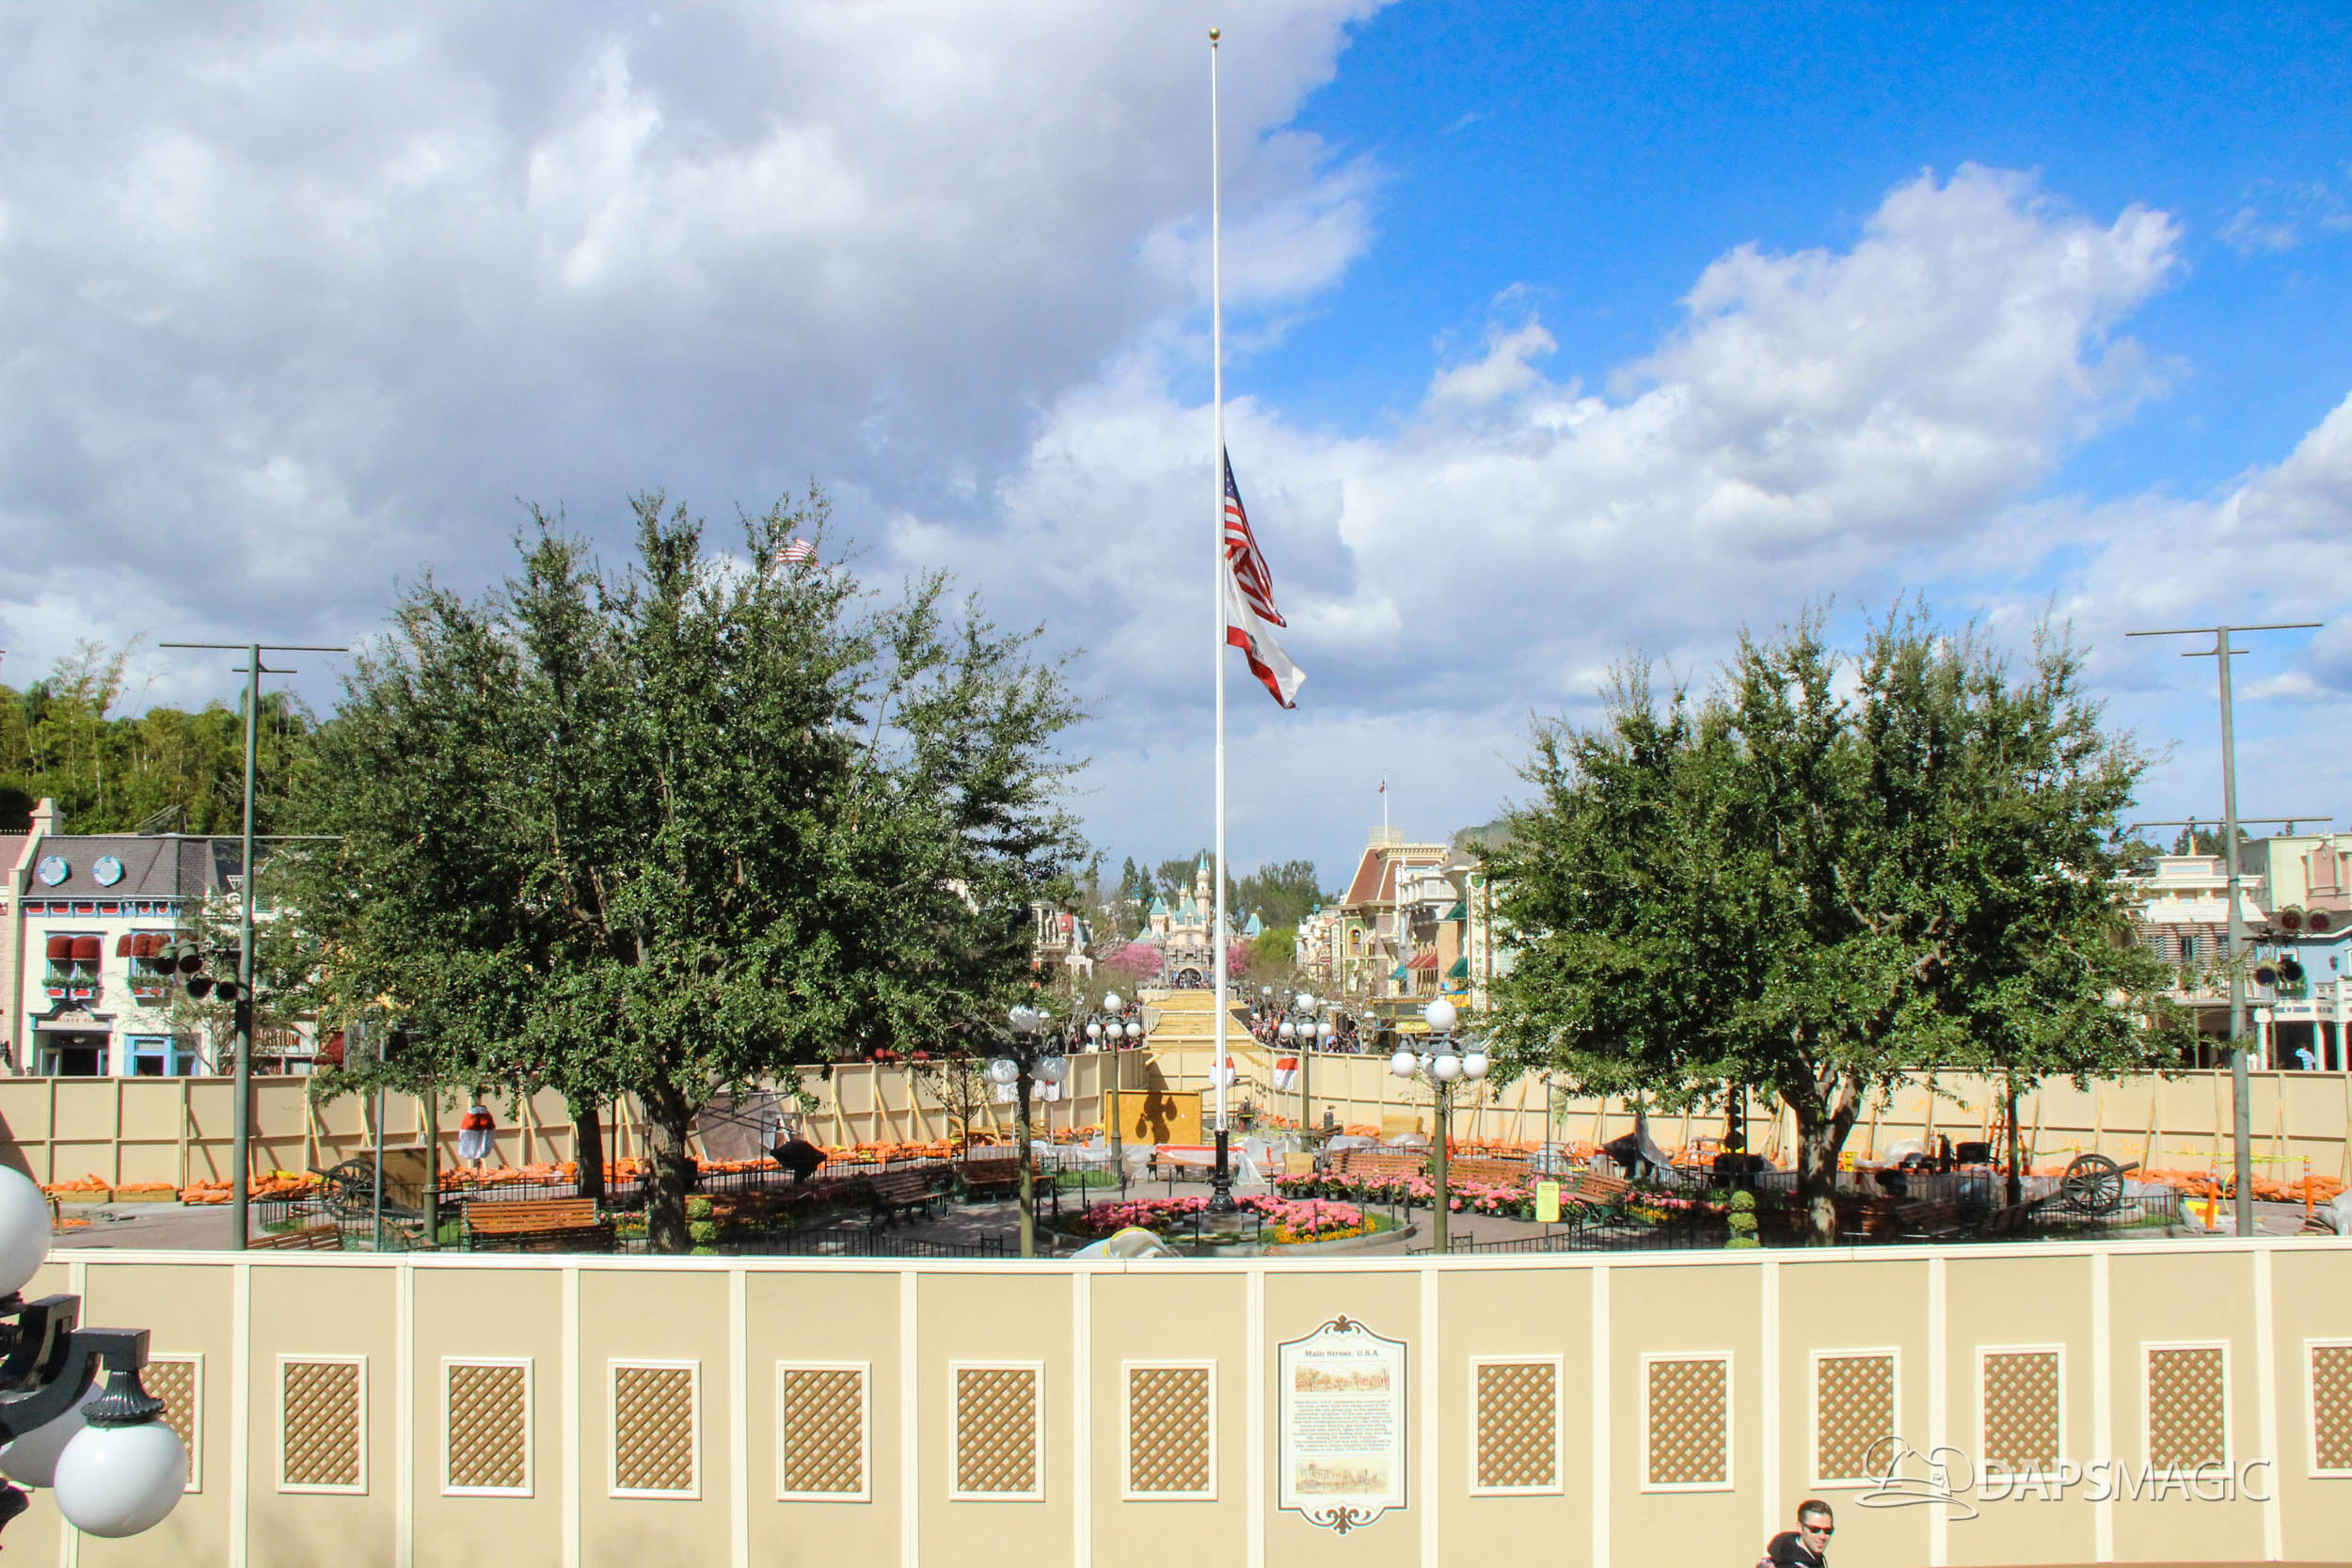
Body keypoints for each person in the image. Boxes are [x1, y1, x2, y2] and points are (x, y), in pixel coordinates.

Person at [1761, 1500, 1834, 1567]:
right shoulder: (1786, 1565)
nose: (1822, 1536)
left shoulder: (1815, 1559)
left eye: (1828, 1531)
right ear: (1800, 1528)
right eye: (1815, 1530)